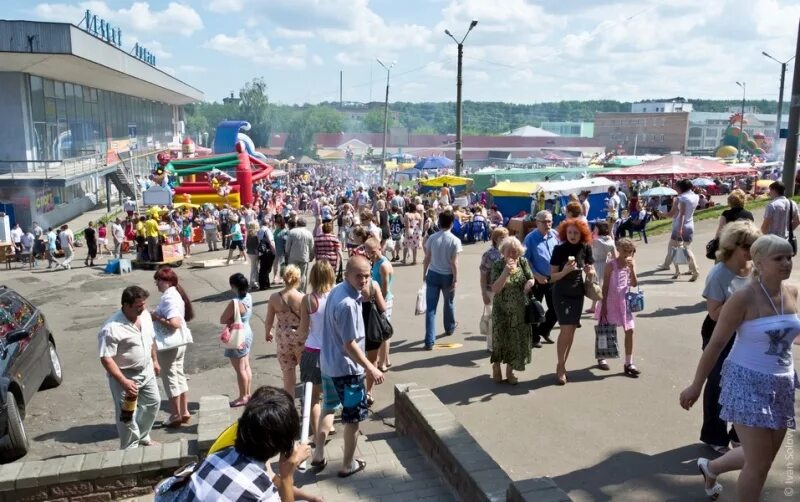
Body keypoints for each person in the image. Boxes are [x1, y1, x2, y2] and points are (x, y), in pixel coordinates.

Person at [679, 235, 800, 500]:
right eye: (778, 258)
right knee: (757, 466)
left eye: (789, 256)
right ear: (759, 262)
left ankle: (710, 468)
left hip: (782, 383)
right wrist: (696, 385)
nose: (787, 263)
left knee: (764, 459)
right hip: (746, 382)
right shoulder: (743, 298)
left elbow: (788, 333)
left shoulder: (791, 292)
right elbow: (716, 344)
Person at [180, 386, 312, 501]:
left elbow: (268, 478)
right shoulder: (263, 494)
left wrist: (307, 496)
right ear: (283, 444)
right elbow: (265, 485)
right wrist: (287, 477)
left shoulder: (217, 456)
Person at [697, 221, 760, 454]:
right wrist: (741, 301)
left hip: (748, 331)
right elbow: (714, 313)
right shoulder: (719, 274)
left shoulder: (755, 268)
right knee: (718, 382)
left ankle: (738, 432)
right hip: (719, 331)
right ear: (733, 246)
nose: (751, 251)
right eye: (747, 246)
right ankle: (714, 434)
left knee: (745, 383)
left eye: (755, 245)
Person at [319, 255, 384, 478]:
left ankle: (318, 454)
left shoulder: (338, 290)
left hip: (329, 366)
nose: (364, 280)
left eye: (367, 276)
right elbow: (350, 345)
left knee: (328, 407)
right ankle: (348, 465)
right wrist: (370, 368)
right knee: (353, 419)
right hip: (348, 372)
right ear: (347, 274)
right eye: (359, 276)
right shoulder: (348, 304)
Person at [98, 286, 161, 449]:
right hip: (125, 376)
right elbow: (106, 358)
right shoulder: (111, 328)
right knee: (127, 415)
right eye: (138, 306)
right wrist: (124, 381)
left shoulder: (145, 316)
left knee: (153, 403)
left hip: (146, 370)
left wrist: (155, 360)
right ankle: (130, 448)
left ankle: (142, 435)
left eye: (143, 304)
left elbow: (151, 339)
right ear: (126, 305)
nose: (142, 308)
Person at [295, 261, 336, 462]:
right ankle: (329, 425)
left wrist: (295, 342)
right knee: (332, 395)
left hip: (312, 351)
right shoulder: (337, 296)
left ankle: (315, 429)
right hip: (333, 352)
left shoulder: (308, 300)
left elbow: (303, 329)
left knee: (313, 397)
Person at [550, 218, 595, 385]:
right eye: (569, 232)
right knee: (565, 329)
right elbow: (552, 277)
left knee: (572, 330)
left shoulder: (585, 248)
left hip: (577, 292)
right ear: (564, 233)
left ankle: (562, 364)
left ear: (581, 234)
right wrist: (565, 271)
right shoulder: (559, 249)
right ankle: (560, 367)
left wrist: (590, 272)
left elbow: (591, 270)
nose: (572, 235)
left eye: (576, 232)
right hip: (561, 292)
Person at [151, 266, 194, 428]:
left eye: (158, 280)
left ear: (167, 281)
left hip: (170, 343)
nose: (156, 283)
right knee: (178, 374)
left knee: (170, 378)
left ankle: (175, 414)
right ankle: (184, 411)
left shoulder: (169, 298)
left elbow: (174, 323)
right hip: (180, 341)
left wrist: (156, 317)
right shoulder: (175, 294)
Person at [490, 237, 536, 385]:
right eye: (509, 251)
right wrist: (506, 272)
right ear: (503, 252)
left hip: (519, 309)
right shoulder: (498, 265)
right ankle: (496, 367)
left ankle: (510, 371)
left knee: (515, 340)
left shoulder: (522, 262)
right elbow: (495, 289)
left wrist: (529, 283)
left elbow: (531, 278)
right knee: (500, 339)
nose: (512, 254)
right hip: (501, 309)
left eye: (515, 251)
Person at [594, 238, 639, 375]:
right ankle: (602, 357)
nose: (627, 254)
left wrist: (631, 269)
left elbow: (634, 284)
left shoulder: (631, 263)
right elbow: (605, 286)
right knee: (606, 328)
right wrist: (604, 305)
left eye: (630, 252)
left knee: (629, 330)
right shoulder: (611, 265)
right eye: (625, 251)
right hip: (610, 300)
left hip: (624, 301)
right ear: (618, 250)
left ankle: (628, 363)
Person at [422, 210, 462, 350]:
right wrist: (456, 278)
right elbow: (454, 262)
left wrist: (424, 273)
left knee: (431, 309)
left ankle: (429, 340)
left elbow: (427, 257)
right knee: (448, 302)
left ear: (439, 222)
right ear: (452, 223)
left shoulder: (432, 238)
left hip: (433, 273)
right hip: (447, 275)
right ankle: (449, 327)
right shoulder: (455, 240)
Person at [265, 265, 304, 398]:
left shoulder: (274, 297)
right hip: (300, 338)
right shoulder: (302, 298)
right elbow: (307, 321)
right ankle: (309, 403)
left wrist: (267, 332)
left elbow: (269, 320)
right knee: (306, 374)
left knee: (288, 376)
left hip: (283, 339)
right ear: (298, 279)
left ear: (283, 278)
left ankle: (289, 406)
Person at [523, 211, 558, 348]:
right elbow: (524, 260)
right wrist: (536, 275)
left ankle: (544, 330)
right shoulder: (530, 239)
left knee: (555, 308)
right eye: (544, 222)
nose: (548, 224)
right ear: (537, 222)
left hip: (552, 278)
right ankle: (534, 337)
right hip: (536, 279)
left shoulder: (554, 235)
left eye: (550, 221)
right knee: (535, 309)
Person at [220, 273, 254, 408]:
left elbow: (222, 319)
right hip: (247, 331)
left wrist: (229, 319)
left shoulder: (235, 302)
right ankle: (248, 393)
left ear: (233, 286)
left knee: (240, 369)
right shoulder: (248, 297)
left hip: (237, 335)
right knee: (246, 365)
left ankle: (243, 396)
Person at [658, 179, 700, 281]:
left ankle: (689, 270)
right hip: (690, 224)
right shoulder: (695, 196)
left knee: (675, 248)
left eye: (677, 187)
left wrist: (661, 214)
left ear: (681, 188)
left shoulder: (680, 199)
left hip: (679, 226)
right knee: (685, 247)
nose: (675, 189)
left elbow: (677, 214)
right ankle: (689, 269)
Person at [364, 237, 394, 372]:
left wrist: (377, 301)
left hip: (384, 300)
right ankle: (386, 360)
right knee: (382, 331)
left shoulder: (383, 265)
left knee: (383, 332)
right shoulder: (375, 261)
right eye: (368, 252)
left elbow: (385, 288)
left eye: (373, 251)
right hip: (379, 299)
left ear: (379, 248)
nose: (370, 254)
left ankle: (381, 363)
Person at [480, 227, 508, 320]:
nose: (505, 239)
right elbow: (483, 275)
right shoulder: (488, 255)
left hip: (507, 290)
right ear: (495, 239)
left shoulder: (509, 252)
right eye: (502, 237)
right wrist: (484, 293)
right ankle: (491, 334)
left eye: (507, 237)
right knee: (492, 319)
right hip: (492, 291)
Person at [588, 221, 615, 314]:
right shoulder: (609, 240)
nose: (593, 229)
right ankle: (593, 307)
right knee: (602, 286)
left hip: (596, 265)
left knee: (597, 287)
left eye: (595, 228)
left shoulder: (596, 240)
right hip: (606, 263)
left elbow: (587, 242)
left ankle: (599, 307)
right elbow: (614, 255)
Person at [285, 218, 315, 292]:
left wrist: (287, 254)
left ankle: (292, 290)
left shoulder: (292, 232)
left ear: (297, 224)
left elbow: (287, 246)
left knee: (292, 274)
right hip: (304, 257)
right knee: (303, 275)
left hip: (293, 257)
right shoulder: (309, 233)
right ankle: (302, 291)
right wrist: (311, 256)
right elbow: (312, 247)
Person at [258, 219, 276, 291]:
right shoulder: (267, 230)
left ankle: (264, 284)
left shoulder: (260, 230)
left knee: (263, 268)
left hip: (261, 251)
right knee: (267, 269)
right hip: (268, 251)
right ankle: (265, 284)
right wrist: (274, 251)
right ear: (268, 223)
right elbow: (270, 241)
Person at [245, 224, 261, 289]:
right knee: (255, 268)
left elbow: (247, 245)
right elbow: (257, 245)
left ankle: (254, 282)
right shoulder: (255, 235)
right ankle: (254, 282)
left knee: (253, 267)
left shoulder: (249, 235)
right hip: (254, 253)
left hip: (249, 253)